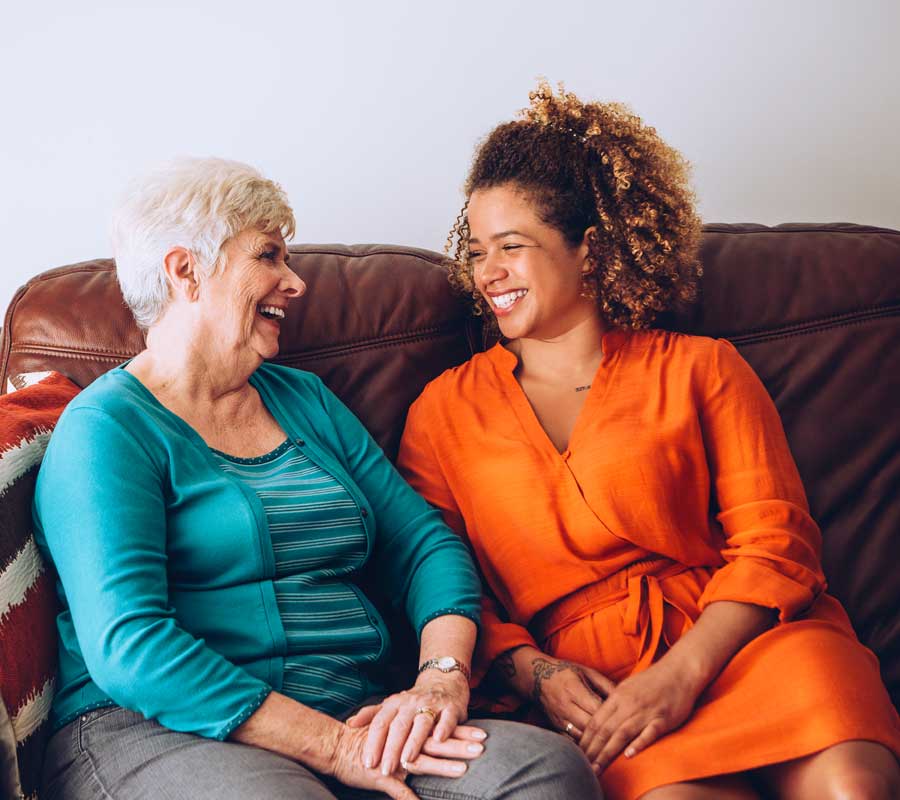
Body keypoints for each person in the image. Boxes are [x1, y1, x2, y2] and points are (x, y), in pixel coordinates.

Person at [34, 157, 601, 800]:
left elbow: (423, 545)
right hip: (156, 730)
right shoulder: (107, 429)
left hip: (354, 709)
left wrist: (439, 677)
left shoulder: (303, 399)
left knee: (544, 771)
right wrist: (336, 749)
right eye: (269, 256)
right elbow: (131, 646)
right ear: (185, 269)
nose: (294, 282)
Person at [397, 84, 900, 800]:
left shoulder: (702, 367)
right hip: (604, 695)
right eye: (477, 251)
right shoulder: (442, 413)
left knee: (853, 783)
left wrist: (682, 675)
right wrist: (538, 674)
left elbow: (776, 544)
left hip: (747, 648)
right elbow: (444, 588)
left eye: (513, 247)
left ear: (589, 251)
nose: (488, 273)